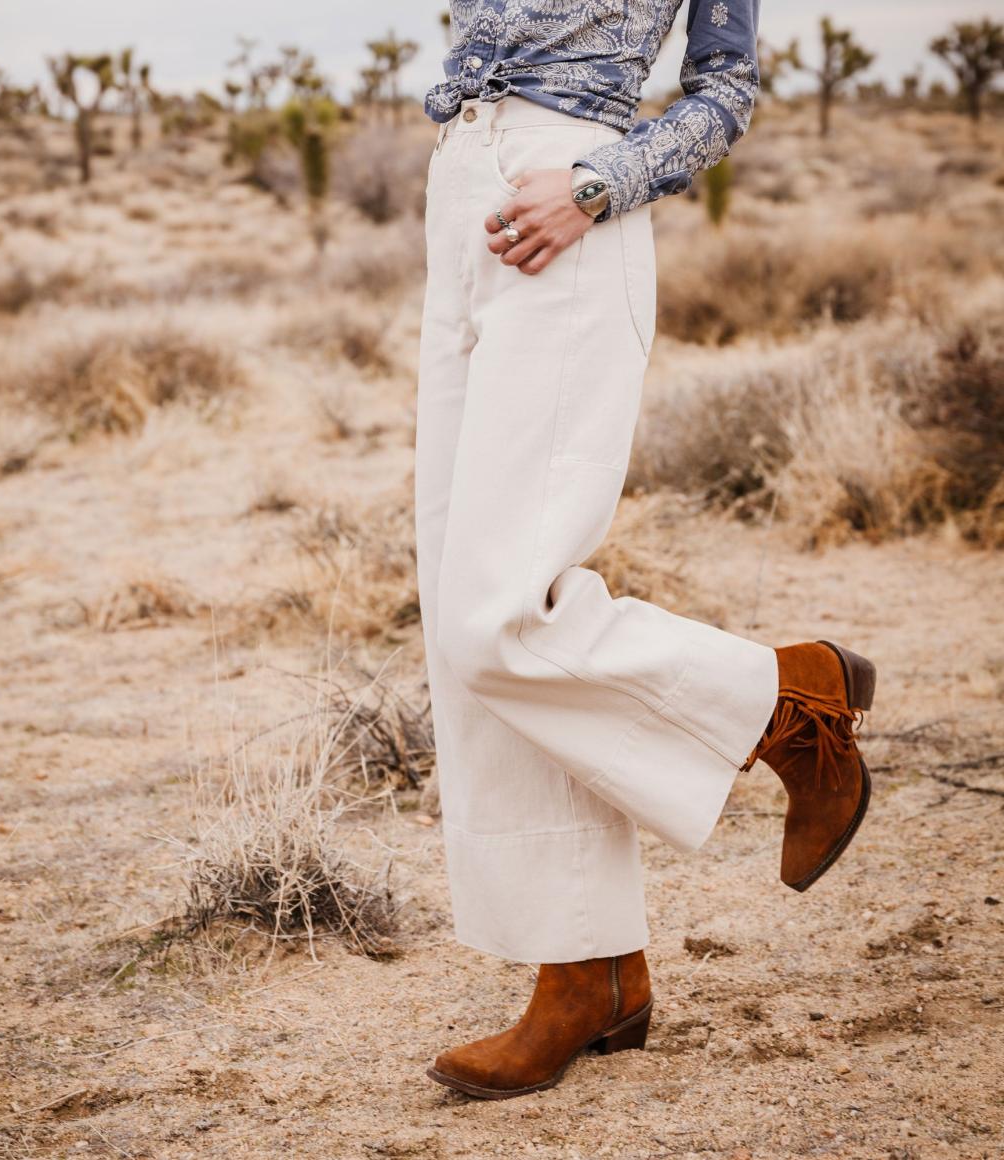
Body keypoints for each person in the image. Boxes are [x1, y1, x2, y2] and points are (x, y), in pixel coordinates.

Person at [413, 0, 876, 1100]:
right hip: (459, 191)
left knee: (499, 615)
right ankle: (589, 973)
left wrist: (594, 185)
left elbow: (726, 88)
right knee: (459, 615)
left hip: (570, 201)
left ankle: (782, 698)